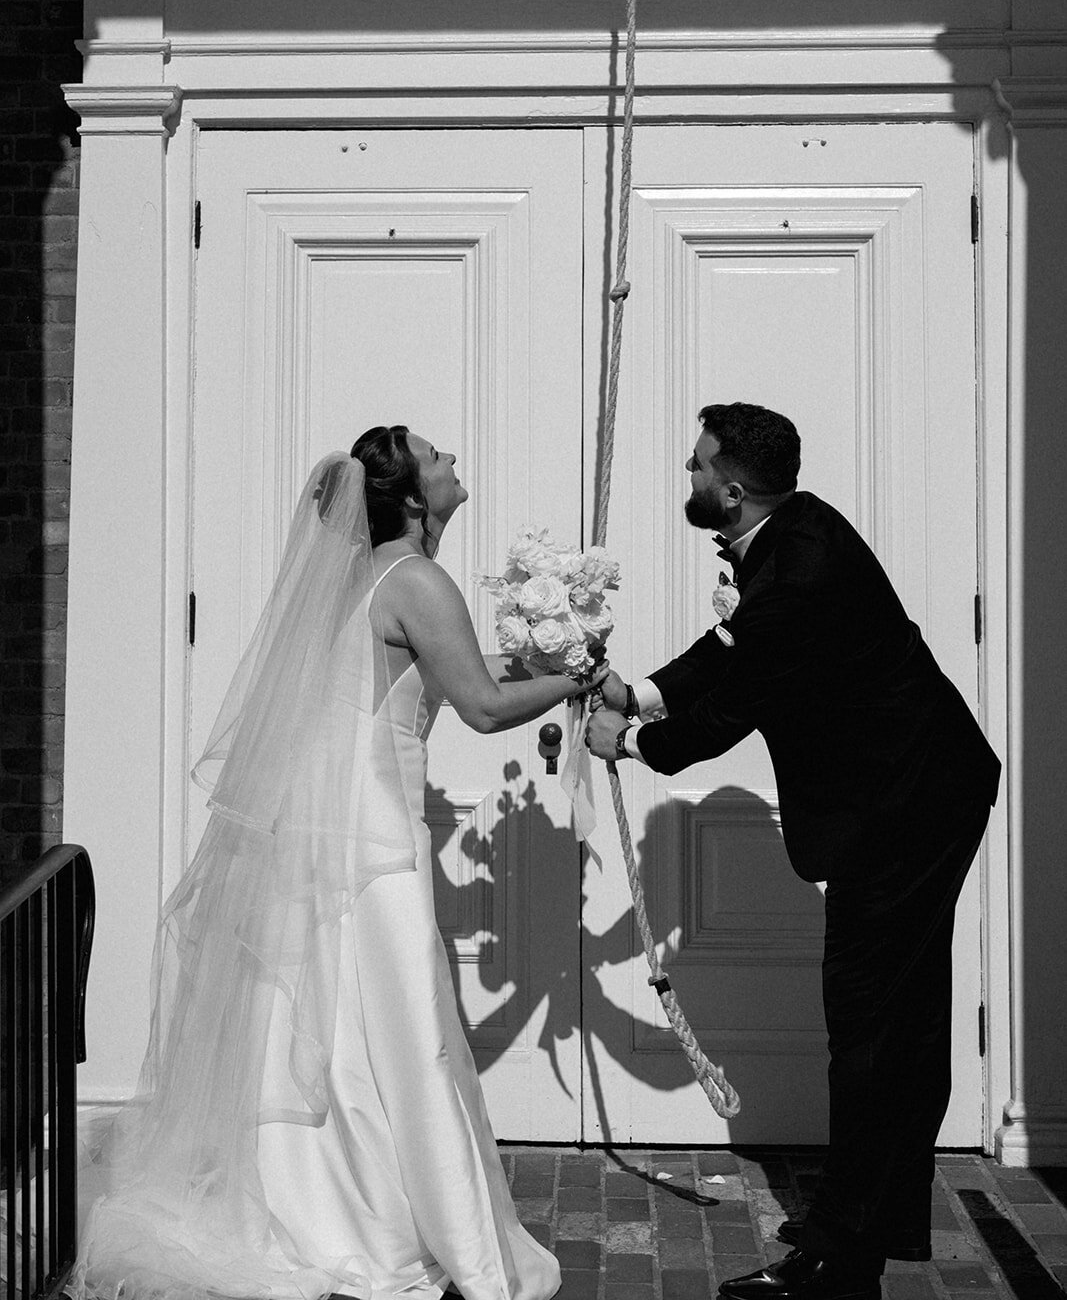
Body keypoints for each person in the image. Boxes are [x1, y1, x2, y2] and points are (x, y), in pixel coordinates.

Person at [74, 426, 603, 1300]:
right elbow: (478, 702)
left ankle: (318, 1203)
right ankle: (394, 1223)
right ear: (407, 495)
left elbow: (458, 669)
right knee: (402, 1025)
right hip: (370, 829)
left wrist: (546, 658)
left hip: (331, 822)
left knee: (339, 1018)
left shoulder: (362, 581)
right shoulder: (417, 578)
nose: (452, 462)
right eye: (438, 458)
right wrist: (578, 679)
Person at [586, 402, 1000, 1300]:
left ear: (731, 489)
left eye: (696, 468)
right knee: (894, 1018)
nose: (688, 479)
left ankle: (840, 1256)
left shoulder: (802, 567)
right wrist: (642, 689)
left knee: (868, 1024)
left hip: (908, 807)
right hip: (908, 795)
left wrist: (628, 742)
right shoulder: (794, 526)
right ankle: (872, 1213)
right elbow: (731, 645)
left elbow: (737, 704)